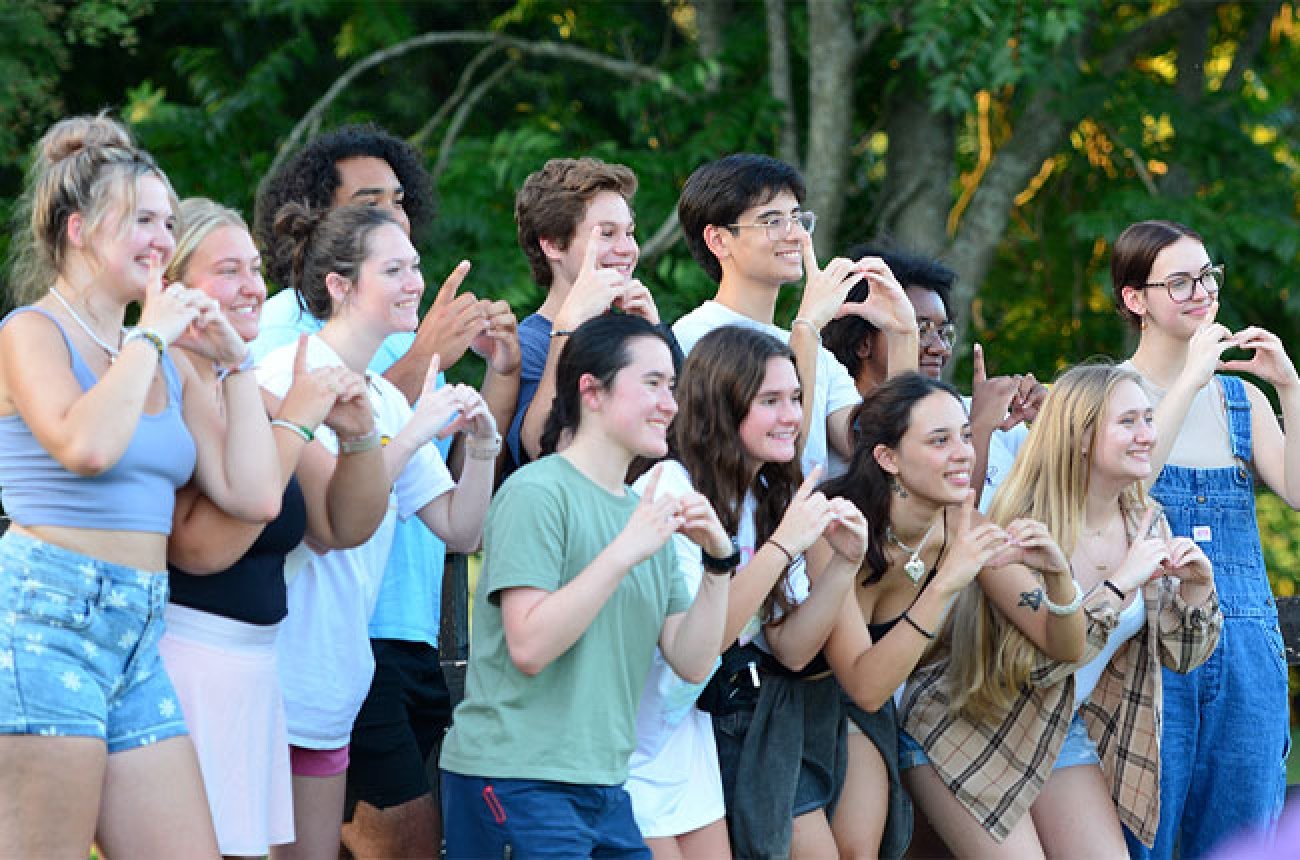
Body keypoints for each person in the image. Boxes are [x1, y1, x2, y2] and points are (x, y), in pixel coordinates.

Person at [0, 115, 279, 856]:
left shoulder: (155, 355)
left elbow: (254, 495)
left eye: (167, 219)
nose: (162, 238)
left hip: (137, 636)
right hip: (42, 623)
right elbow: (84, 444)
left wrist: (236, 366)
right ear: (80, 229)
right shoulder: (31, 332)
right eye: (143, 220)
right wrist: (151, 337)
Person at [251, 123, 518, 858]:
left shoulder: (388, 392)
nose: (416, 281)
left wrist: (484, 447)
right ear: (340, 284)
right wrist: (408, 432)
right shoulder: (285, 373)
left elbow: (461, 530)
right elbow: (336, 521)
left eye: (413, 263)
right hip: (283, 662)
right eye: (394, 271)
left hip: (346, 667)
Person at [439, 313, 733, 858]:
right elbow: (528, 646)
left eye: (672, 386)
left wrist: (720, 562)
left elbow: (691, 662)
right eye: (651, 384)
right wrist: (623, 552)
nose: (670, 403)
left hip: (605, 788)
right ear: (591, 392)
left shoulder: (642, 513)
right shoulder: (538, 492)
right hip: (516, 779)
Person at [898, 363, 1222, 856]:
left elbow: (1183, 656)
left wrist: (1198, 589)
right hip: (970, 723)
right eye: (1128, 422)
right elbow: (1045, 660)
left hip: (1056, 726)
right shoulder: (1021, 529)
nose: (1146, 436)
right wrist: (1118, 584)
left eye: (1148, 420)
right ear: (1083, 436)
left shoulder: (1146, 520)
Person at [160, 198, 388, 858]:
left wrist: (359, 434)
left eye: (255, 269)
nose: (254, 288)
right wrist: (295, 421)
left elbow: (347, 523)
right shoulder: (169, 377)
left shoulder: (249, 391)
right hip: (191, 663)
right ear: (172, 286)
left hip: (258, 671)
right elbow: (202, 548)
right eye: (228, 271)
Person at [625, 325, 867, 859]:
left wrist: (843, 567)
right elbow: (700, 642)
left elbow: (793, 647)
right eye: (771, 401)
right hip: (628, 744)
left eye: (797, 399)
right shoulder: (671, 487)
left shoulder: (764, 493)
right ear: (722, 405)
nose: (792, 417)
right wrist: (784, 545)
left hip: (687, 735)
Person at [1112, 220, 1300, 857]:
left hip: (1247, 648)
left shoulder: (1239, 401)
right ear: (1136, 298)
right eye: (1180, 281)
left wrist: (1289, 388)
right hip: (1148, 650)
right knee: (1147, 838)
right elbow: (1135, 477)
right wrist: (1193, 375)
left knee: (1242, 839)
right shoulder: (1107, 393)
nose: (1201, 292)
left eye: (1207, 275)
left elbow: (1298, 491)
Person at [811, 373, 1015, 859]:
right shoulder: (838, 525)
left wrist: (1061, 582)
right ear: (888, 458)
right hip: (795, 697)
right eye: (939, 440)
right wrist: (946, 583)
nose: (964, 452)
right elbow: (862, 684)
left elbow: (1045, 621)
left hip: (878, 709)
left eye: (966, 436)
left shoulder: (957, 522)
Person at [675, 153, 878, 477]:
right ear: (718, 240)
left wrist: (903, 330)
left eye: (798, 219)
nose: (796, 235)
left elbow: (879, 450)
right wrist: (808, 325)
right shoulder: (690, 340)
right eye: (772, 221)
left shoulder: (817, 355)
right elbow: (780, 460)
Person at [821, 244, 1046, 508]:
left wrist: (1051, 421)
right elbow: (943, 528)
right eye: (921, 329)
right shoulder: (839, 428)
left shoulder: (1000, 422)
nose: (939, 347)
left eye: (944, 331)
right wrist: (978, 431)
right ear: (862, 342)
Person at [511, 156, 666, 465]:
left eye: (630, 233)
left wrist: (657, 337)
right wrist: (568, 329)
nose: (627, 249)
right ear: (553, 244)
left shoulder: (639, 326)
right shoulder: (527, 345)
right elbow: (543, 446)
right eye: (607, 234)